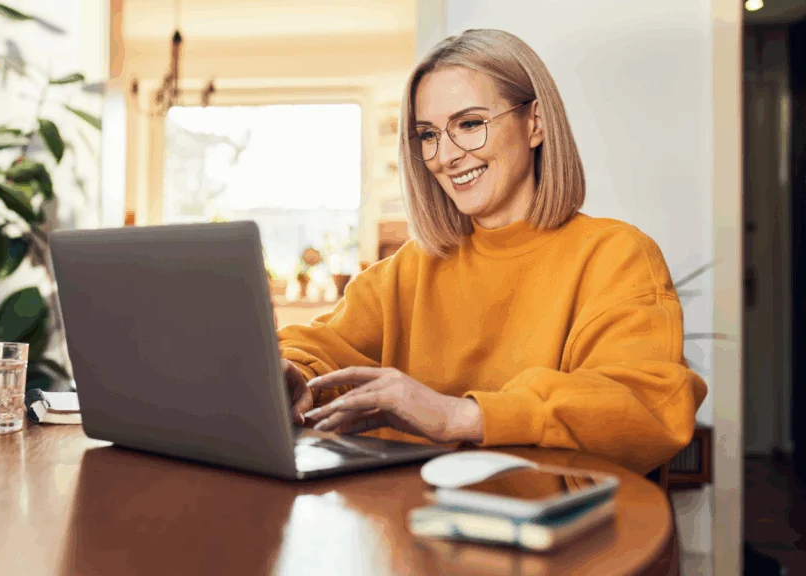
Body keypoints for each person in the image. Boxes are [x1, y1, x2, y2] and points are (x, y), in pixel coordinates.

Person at [277, 29, 707, 475]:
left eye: (469, 124)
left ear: (535, 123)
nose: (445, 156)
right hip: (416, 526)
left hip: (554, 531)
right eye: (428, 135)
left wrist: (459, 416)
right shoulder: (408, 270)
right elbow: (320, 346)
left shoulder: (616, 256)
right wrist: (292, 373)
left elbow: (646, 406)